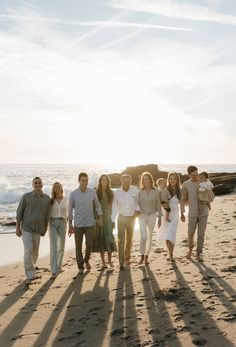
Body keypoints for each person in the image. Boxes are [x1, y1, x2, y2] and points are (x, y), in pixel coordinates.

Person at [16, 177, 51, 284]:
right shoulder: (26, 197)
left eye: (39, 183)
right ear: (33, 185)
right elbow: (19, 213)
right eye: (35, 183)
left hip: (38, 229)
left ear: (42, 184)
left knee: (35, 252)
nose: (38, 185)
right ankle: (30, 275)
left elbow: (47, 216)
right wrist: (17, 228)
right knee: (28, 251)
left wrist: (45, 228)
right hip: (26, 228)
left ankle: (32, 268)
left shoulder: (47, 198)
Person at [68, 172, 102, 274]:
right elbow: (70, 210)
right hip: (78, 224)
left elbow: (97, 205)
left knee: (89, 244)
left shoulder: (92, 192)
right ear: (79, 181)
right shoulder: (73, 194)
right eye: (83, 180)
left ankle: (86, 260)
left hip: (89, 223)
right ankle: (80, 267)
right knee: (78, 246)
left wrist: (100, 217)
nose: (85, 182)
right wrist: (70, 224)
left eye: (86, 181)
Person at [181, 165, 210, 262]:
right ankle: (190, 250)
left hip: (204, 212)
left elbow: (210, 193)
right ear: (189, 175)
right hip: (192, 213)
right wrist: (182, 212)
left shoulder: (203, 182)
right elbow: (182, 199)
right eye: (193, 175)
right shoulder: (185, 184)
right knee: (190, 233)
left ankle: (199, 253)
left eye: (197, 174)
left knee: (201, 234)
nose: (196, 176)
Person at [112, 174, 140, 269]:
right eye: (124, 181)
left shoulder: (135, 190)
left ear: (130, 181)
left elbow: (137, 202)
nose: (126, 183)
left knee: (129, 240)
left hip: (132, 218)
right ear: (121, 181)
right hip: (121, 218)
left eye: (128, 181)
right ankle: (121, 262)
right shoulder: (117, 192)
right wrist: (112, 220)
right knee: (121, 241)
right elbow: (114, 206)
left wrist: (137, 210)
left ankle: (127, 257)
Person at [93, 175, 117, 268]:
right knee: (101, 240)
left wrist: (113, 219)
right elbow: (94, 207)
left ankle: (110, 261)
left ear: (108, 181)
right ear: (100, 181)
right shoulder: (96, 192)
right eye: (102, 179)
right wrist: (98, 219)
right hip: (100, 218)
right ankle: (103, 262)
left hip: (108, 218)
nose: (104, 181)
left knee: (110, 239)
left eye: (106, 179)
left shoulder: (111, 192)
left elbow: (113, 207)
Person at [138, 172, 162, 265]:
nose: (146, 181)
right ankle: (141, 255)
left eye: (147, 179)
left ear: (150, 180)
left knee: (149, 237)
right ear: (142, 181)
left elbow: (158, 204)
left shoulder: (156, 191)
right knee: (143, 236)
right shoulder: (139, 191)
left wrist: (159, 217)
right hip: (142, 216)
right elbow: (136, 203)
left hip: (152, 215)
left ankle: (146, 256)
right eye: (144, 179)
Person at [156, 172, 181, 262]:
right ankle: (170, 255)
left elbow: (182, 203)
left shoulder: (180, 190)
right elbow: (161, 202)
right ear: (168, 180)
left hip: (175, 215)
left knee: (172, 235)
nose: (172, 180)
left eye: (174, 179)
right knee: (167, 236)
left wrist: (182, 213)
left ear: (177, 180)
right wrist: (166, 213)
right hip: (166, 214)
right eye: (171, 179)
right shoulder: (165, 189)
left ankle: (171, 254)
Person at [49, 182, 68, 279]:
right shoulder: (50, 200)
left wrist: (70, 224)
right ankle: (53, 270)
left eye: (59, 187)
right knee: (53, 246)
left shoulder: (66, 199)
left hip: (63, 223)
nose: (57, 188)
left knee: (61, 246)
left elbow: (68, 213)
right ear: (53, 189)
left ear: (61, 188)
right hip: (52, 223)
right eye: (55, 187)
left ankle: (59, 266)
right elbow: (46, 213)